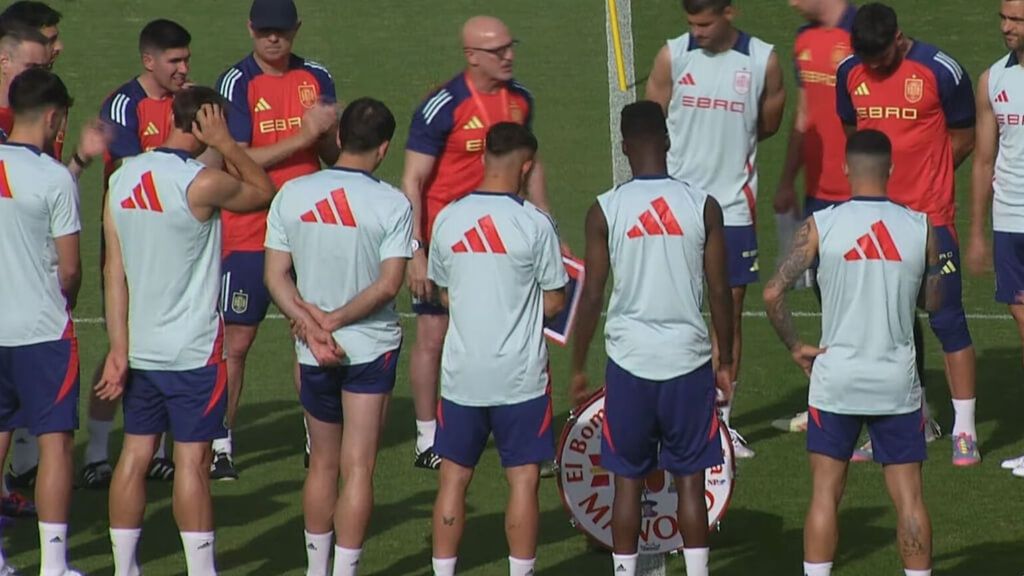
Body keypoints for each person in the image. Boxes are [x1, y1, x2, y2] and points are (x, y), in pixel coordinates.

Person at [96, 87, 275, 576]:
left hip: (141, 349)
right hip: (194, 353)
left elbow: (113, 271)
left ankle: (124, 568)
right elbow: (264, 193)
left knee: (134, 455)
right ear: (206, 125)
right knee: (192, 464)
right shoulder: (201, 183)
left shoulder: (123, 177)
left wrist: (118, 348)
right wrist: (230, 146)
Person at [763, 129, 939, 576]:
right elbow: (932, 302)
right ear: (891, 170)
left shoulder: (821, 226)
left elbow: (772, 293)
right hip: (895, 381)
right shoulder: (920, 228)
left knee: (825, 494)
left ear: (845, 169)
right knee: (910, 499)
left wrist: (795, 346)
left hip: (835, 378)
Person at [570, 101, 732, 576]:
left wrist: (578, 364)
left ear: (624, 148)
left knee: (626, 483)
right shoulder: (703, 205)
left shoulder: (605, 209)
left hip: (630, 364)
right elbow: (720, 289)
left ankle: (625, 572)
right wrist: (727, 358)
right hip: (687, 362)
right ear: (667, 139)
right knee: (689, 481)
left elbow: (594, 293)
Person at [265, 98, 410, 576]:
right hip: (368, 347)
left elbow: (276, 277)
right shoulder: (392, 203)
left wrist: (312, 325)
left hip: (313, 352)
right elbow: (390, 284)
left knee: (322, 464)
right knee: (359, 468)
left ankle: (315, 570)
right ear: (384, 148)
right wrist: (336, 319)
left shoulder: (293, 193)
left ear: (340, 138)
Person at [403, 15, 554, 470]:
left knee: (520, 329)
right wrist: (415, 250)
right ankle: (428, 437)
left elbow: (532, 164)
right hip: (449, 242)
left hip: (506, 240)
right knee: (434, 334)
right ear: (471, 56)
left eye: (511, 47)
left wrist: (548, 224)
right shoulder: (442, 107)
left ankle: (523, 429)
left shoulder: (520, 100)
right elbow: (412, 179)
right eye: (498, 50)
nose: (508, 56)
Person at [836, 2, 979, 465]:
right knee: (890, 324)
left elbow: (964, 135)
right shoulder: (848, 73)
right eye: (868, 62)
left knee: (946, 320)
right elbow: (853, 134)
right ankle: (914, 420)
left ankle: (965, 431)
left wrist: (930, 178)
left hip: (930, 220)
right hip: (877, 220)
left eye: (881, 61)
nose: (873, 69)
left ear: (898, 38)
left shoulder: (940, 70)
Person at [645, 0, 786, 458]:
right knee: (675, 310)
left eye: (705, 23)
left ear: (731, 11)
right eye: (691, 24)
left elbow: (768, 123)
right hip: (680, 205)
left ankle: (721, 424)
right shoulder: (673, 55)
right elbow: (650, 123)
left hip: (733, 209)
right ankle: (671, 416)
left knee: (728, 315)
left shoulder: (763, 59)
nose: (698, 32)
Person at [428, 123, 566, 576]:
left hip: (462, 376)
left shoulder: (448, 218)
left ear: (484, 157)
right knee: (524, 482)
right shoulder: (535, 224)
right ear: (526, 167)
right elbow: (555, 300)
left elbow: (443, 291)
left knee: (453, 479)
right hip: (520, 379)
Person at [214, 0, 338, 480]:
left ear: (296, 30)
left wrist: (327, 136)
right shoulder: (237, 82)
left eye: (282, 32)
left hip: (309, 227)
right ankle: (220, 442)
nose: (273, 40)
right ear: (250, 30)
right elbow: (237, 159)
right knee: (237, 342)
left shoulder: (318, 77)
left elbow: (330, 151)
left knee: (311, 332)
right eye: (265, 31)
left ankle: (316, 436)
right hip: (250, 228)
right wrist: (303, 134)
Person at [77, 18, 193, 490]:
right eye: (175, 61)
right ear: (149, 61)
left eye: (187, 59)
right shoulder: (123, 105)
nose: (184, 69)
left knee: (166, 342)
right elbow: (133, 171)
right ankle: (98, 452)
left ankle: (160, 451)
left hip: (177, 245)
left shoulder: (188, 101)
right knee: (122, 343)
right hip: (129, 244)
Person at [0, 67, 81, 576]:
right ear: (53, 117)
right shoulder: (54, 176)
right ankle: (53, 566)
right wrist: (65, 297)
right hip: (41, 331)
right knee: (55, 443)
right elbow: (69, 267)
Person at [770, 0, 857, 434]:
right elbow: (805, 115)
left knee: (884, 303)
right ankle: (829, 403)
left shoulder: (861, 32)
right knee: (830, 302)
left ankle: (913, 409)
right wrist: (788, 178)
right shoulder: (805, 40)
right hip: (819, 196)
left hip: (864, 194)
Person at [967, 0, 1024, 477]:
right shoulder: (993, 80)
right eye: (1004, 18)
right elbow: (984, 160)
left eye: (1017, 19)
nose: (1007, 27)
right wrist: (977, 232)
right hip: (1009, 223)